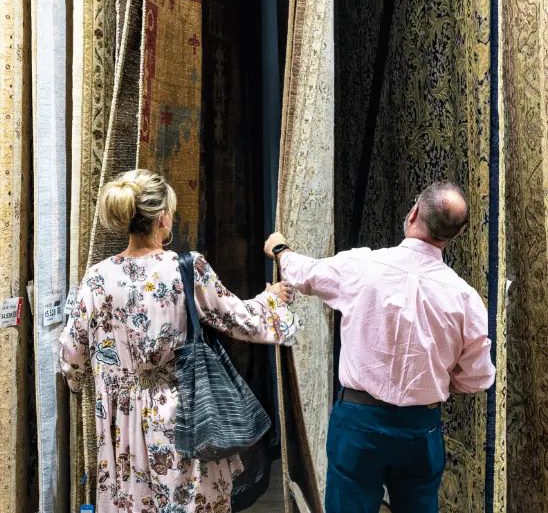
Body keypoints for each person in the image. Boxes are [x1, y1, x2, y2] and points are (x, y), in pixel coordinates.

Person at [60, 169, 299, 513]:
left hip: (121, 429)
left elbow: (73, 360)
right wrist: (273, 300)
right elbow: (238, 320)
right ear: (162, 218)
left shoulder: (97, 278)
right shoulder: (185, 268)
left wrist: (95, 381)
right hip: (184, 419)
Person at [264, 181, 496, 513]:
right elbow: (477, 379)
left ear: (414, 212)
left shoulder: (362, 267)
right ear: (454, 235)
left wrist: (280, 250)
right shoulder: (466, 300)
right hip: (421, 428)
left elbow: (307, 275)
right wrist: (433, 381)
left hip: (359, 424)